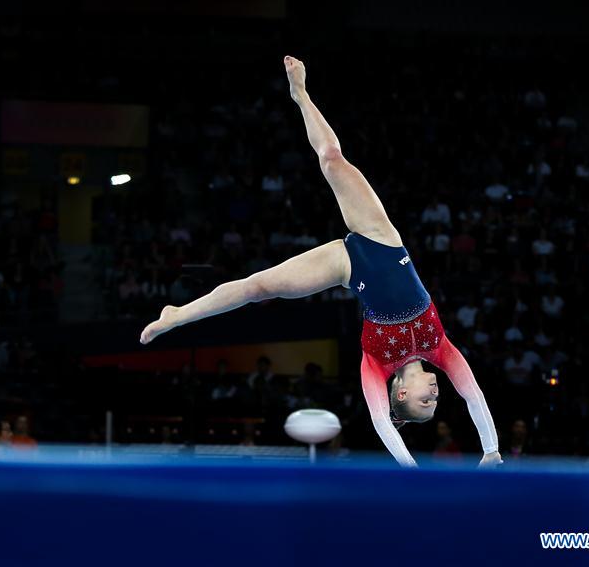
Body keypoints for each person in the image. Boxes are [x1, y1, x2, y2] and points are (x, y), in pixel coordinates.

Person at [140, 56, 500, 467]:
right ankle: (301, 94)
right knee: (331, 157)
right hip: (381, 241)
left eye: (424, 403)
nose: (436, 396)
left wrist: (411, 471)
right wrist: (490, 449)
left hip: (348, 264)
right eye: (435, 402)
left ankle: (178, 314)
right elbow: (473, 393)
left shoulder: (376, 367)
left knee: (259, 287)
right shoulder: (441, 348)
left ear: (401, 393)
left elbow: (382, 424)